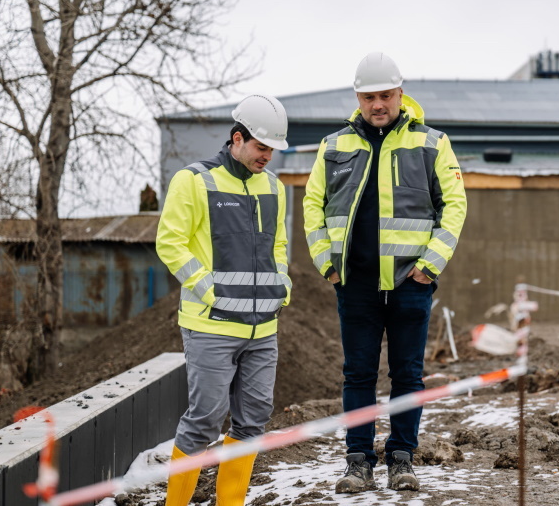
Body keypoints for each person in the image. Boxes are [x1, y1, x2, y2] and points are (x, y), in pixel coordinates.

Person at [303, 52, 467, 493]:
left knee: (408, 376)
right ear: (357, 97)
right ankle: (358, 461)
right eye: (370, 96)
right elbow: (312, 206)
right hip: (354, 283)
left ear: (400, 93)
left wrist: (429, 266)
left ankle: (401, 458)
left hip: (410, 284)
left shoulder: (432, 143)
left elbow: (454, 207)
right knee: (357, 374)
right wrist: (328, 266)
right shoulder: (333, 146)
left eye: (386, 95)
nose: (379, 104)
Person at [156, 94, 292, 506]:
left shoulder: (274, 188)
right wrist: (208, 289)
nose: (268, 156)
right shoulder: (194, 181)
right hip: (210, 326)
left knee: (253, 422)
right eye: (262, 147)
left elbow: (279, 244)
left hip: (263, 329)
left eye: (273, 149)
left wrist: (281, 284)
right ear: (238, 138)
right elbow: (170, 243)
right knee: (203, 421)